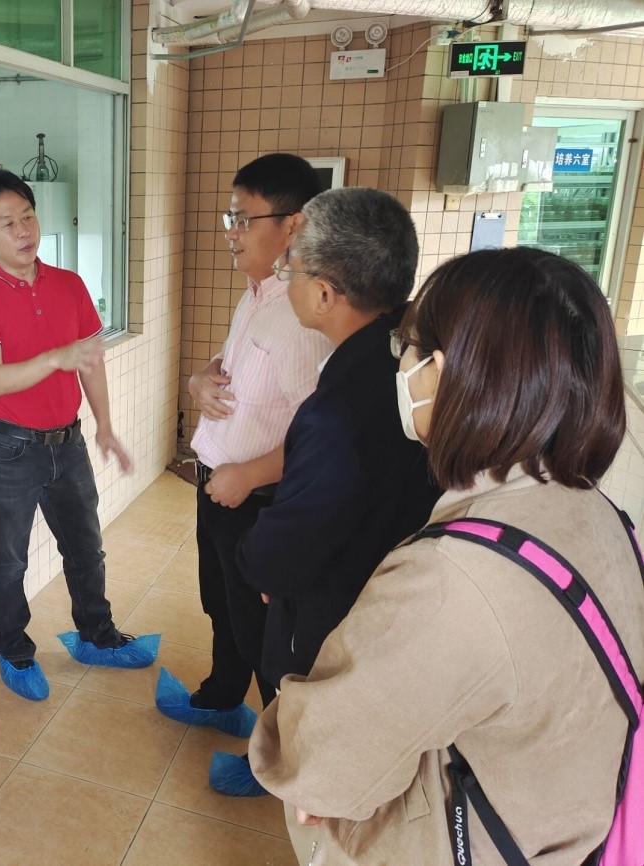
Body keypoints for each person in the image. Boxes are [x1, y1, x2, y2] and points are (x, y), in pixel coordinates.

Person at [249, 246, 644, 865]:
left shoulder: (455, 576)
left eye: (405, 347)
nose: (400, 365)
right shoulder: (598, 512)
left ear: (444, 370)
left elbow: (320, 760)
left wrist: (306, 766)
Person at [213, 189, 443, 830]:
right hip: (378, 584)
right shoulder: (405, 365)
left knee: (316, 744)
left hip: (338, 604)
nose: (281, 277)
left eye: (290, 268)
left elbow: (292, 540)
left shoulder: (338, 407)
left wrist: (262, 562)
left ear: (323, 295)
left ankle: (296, 781)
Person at [0, 169, 158, 702]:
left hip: (67, 442)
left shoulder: (69, 285)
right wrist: (56, 358)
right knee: (9, 559)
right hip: (7, 448)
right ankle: (14, 650)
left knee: (86, 547)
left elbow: (89, 362)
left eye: (28, 216)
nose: (24, 230)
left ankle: (97, 636)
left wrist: (105, 425)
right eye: (7, 223)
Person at [155, 154, 331, 736]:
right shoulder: (256, 294)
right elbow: (237, 362)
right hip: (217, 486)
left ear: (293, 225)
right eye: (229, 218)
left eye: (244, 220)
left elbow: (320, 433)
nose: (232, 233)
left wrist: (251, 475)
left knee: (263, 633)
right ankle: (221, 697)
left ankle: (273, 752)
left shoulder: (303, 317)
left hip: (257, 501)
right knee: (221, 603)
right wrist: (198, 378)